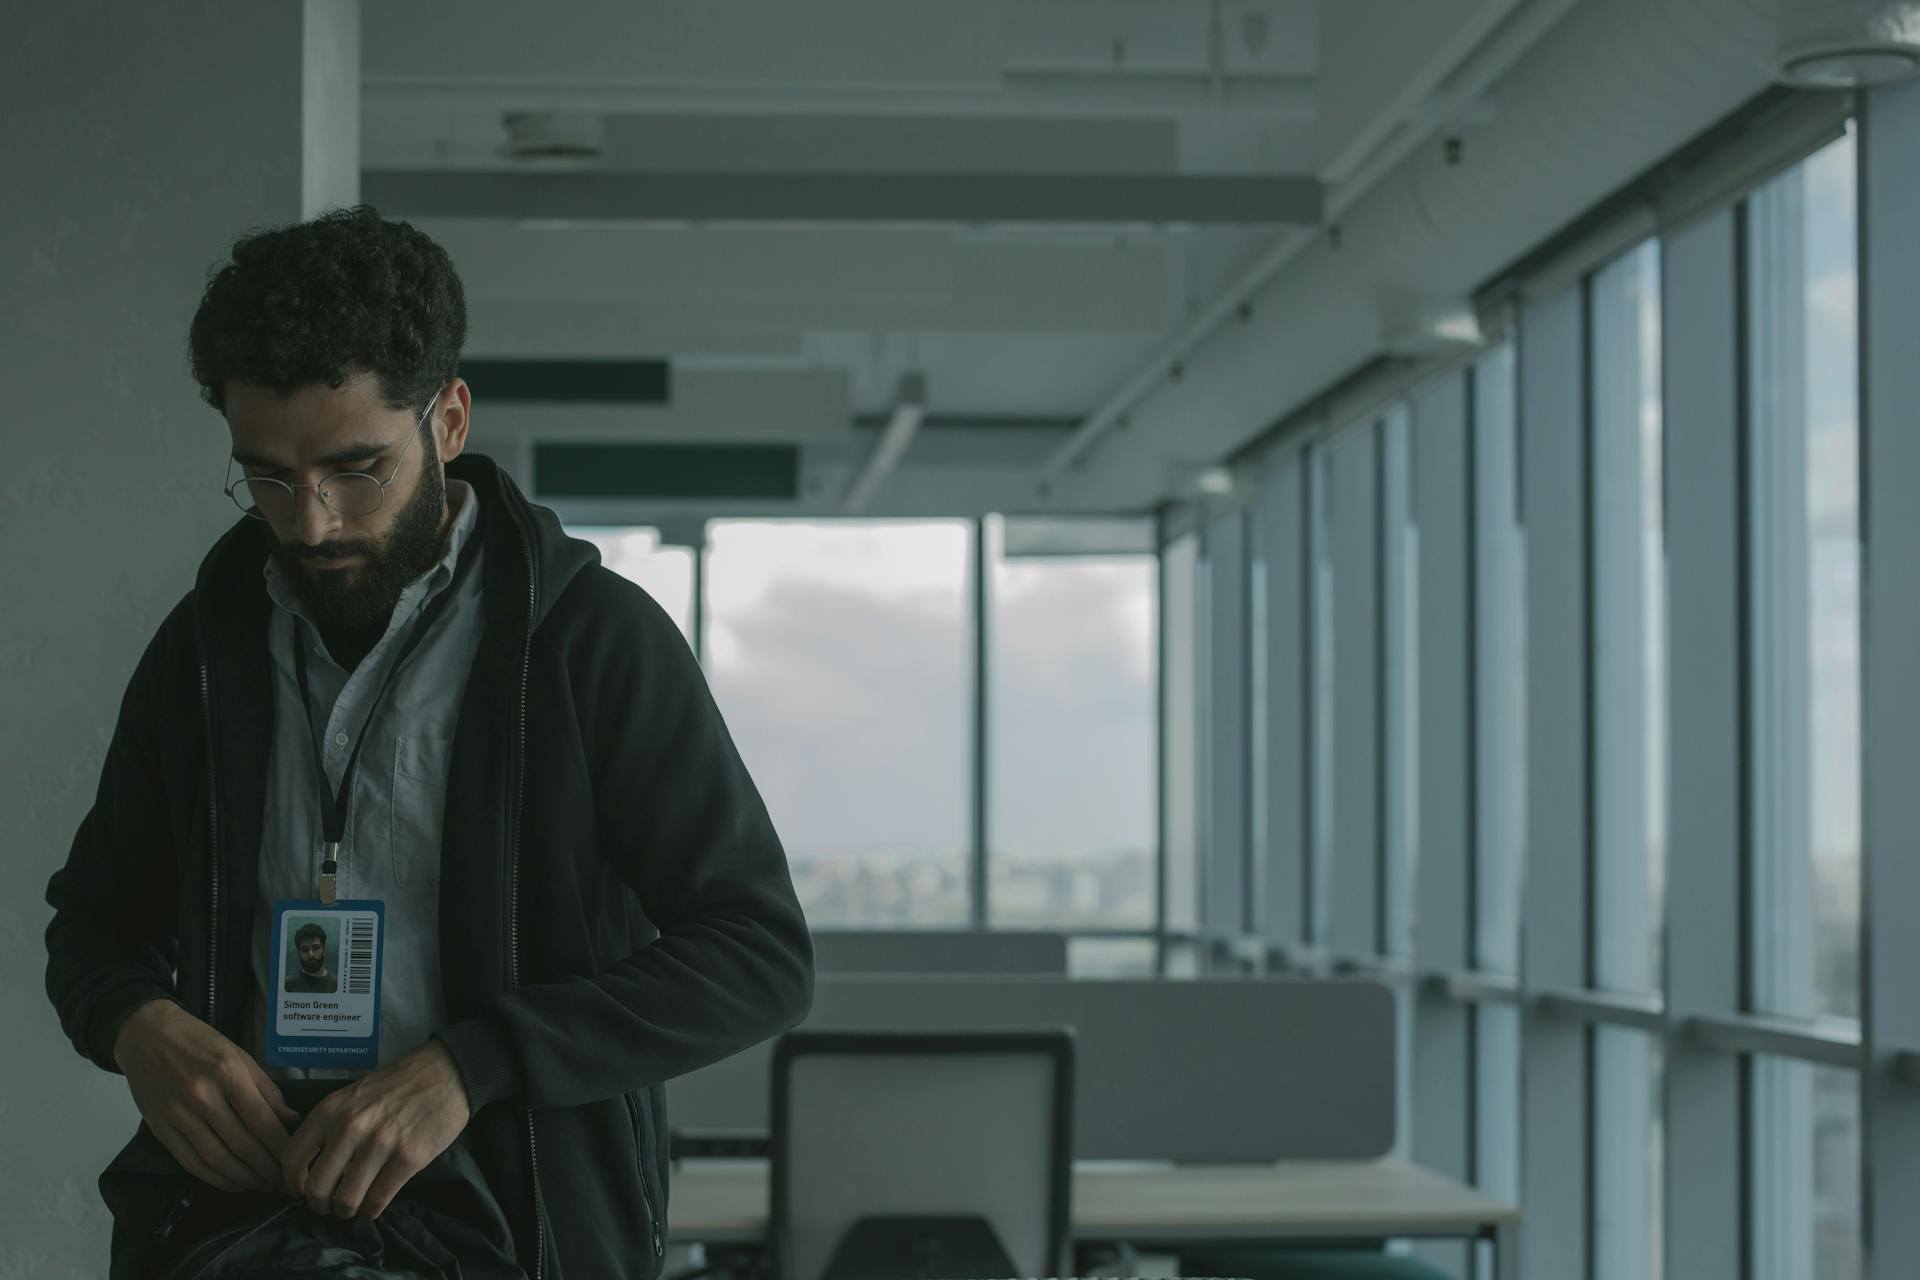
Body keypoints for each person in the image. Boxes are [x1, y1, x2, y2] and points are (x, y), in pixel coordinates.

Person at [43, 205, 815, 1278]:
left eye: (357, 469)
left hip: (518, 1223)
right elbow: (93, 920)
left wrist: (472, 1064)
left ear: (448, 421)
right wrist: (136, 1022)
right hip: (240, 1225)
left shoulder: (594, 643)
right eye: (267, 475)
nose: (310, 522)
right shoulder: (205, 650)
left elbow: (757, 954)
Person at [284, 923, 336, 994]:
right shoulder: (287, 985)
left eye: (316, 948)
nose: (311, 954)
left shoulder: (337, 984)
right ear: (299, 953)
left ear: (324, 950)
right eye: (305, 950)